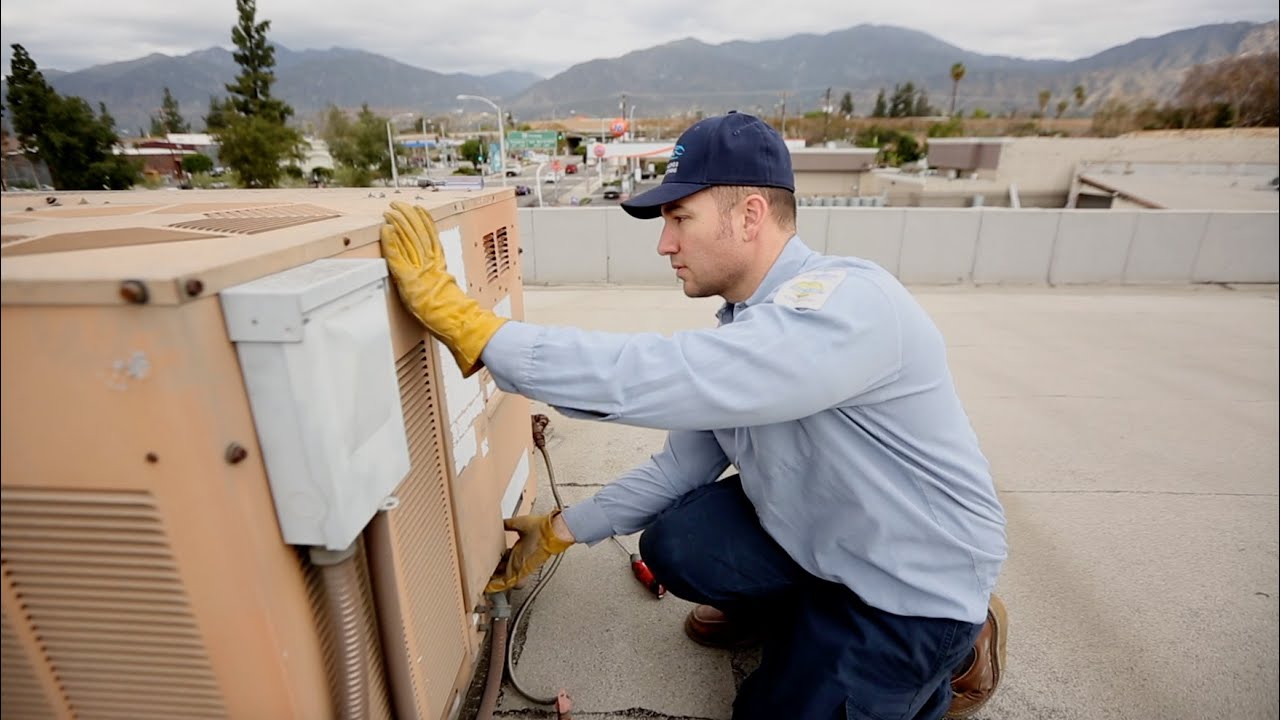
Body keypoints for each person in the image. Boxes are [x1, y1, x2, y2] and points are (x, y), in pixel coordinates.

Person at [378, 111, 1008, 720]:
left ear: (750, 215)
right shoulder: (750, 324)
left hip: (908, 591)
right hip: (831, 541)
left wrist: (479, 332)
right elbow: (681, 467)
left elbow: (659, 373)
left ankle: (954, 655)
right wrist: (561, 530)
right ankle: (800, 620)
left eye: (680, 217)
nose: (665, 243)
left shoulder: (849, 306)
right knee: (677, 544)